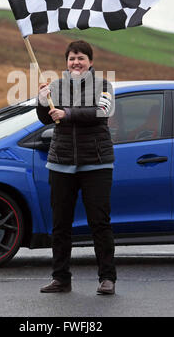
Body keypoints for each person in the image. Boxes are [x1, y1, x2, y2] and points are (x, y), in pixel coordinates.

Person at [36, 40, 117, 295]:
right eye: (72, 58)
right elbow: (45, 117)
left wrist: (67, 113)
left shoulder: (104, 85)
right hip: (60, 164)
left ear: (90, 62)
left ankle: (107, 278)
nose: (76, 62)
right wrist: (41, 101)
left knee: (99, 223)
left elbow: (101, 112)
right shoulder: (56, 86)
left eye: (81, 58)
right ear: (66, 62)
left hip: (97, 163)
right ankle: (61, 278)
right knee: (60, 225)